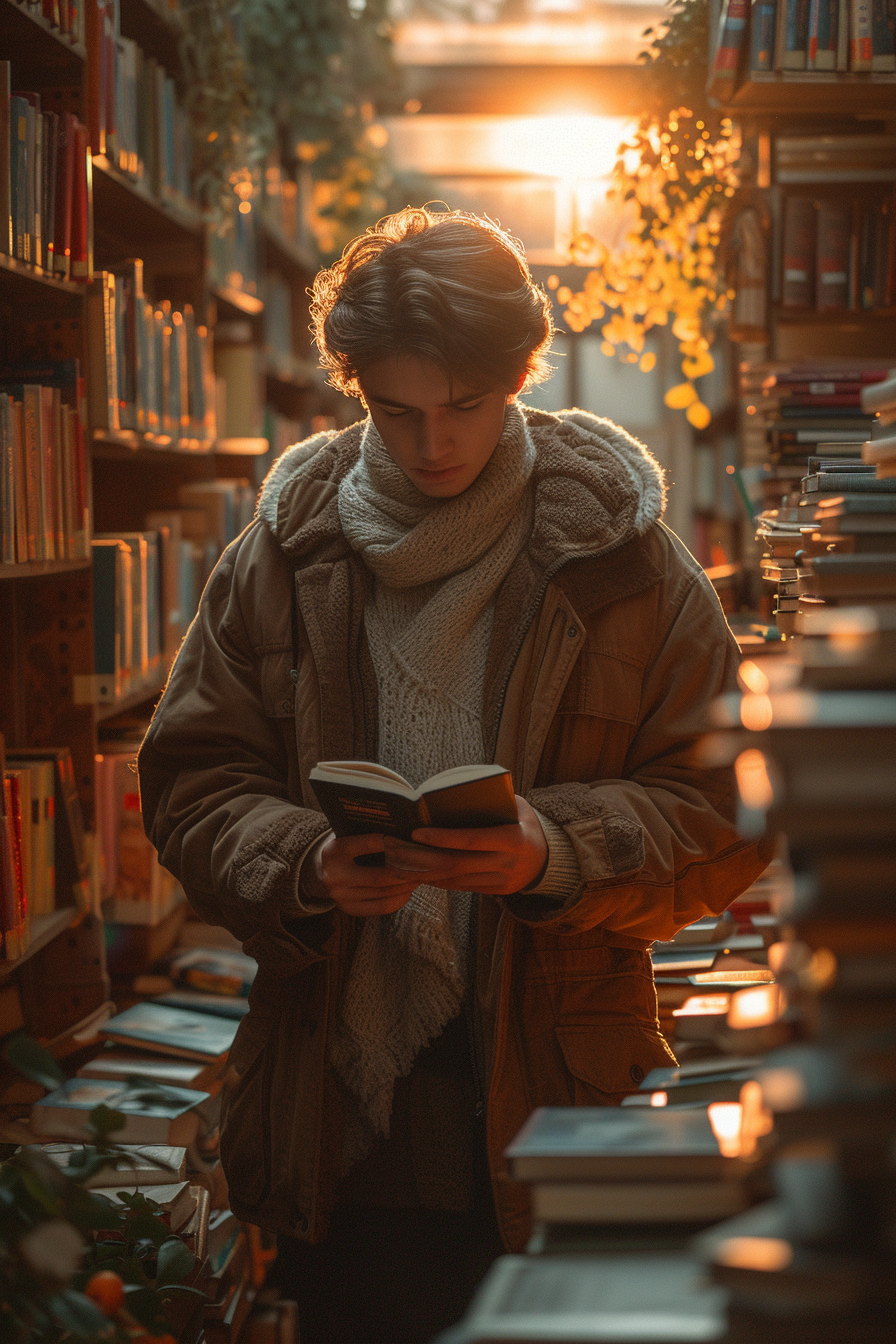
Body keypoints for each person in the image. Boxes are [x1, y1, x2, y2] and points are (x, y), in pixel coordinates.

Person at [138, 207, 771, 1343]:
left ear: (520, 375)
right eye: (394, 410)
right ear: (354, 388)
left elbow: (728, 805)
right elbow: (192, 776)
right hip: (334, 1120)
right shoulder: (284, 550)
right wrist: (303, 862)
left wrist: (555, 848)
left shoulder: (626, 559)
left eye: (463, 408)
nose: (429, 444)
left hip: (557, 1102)